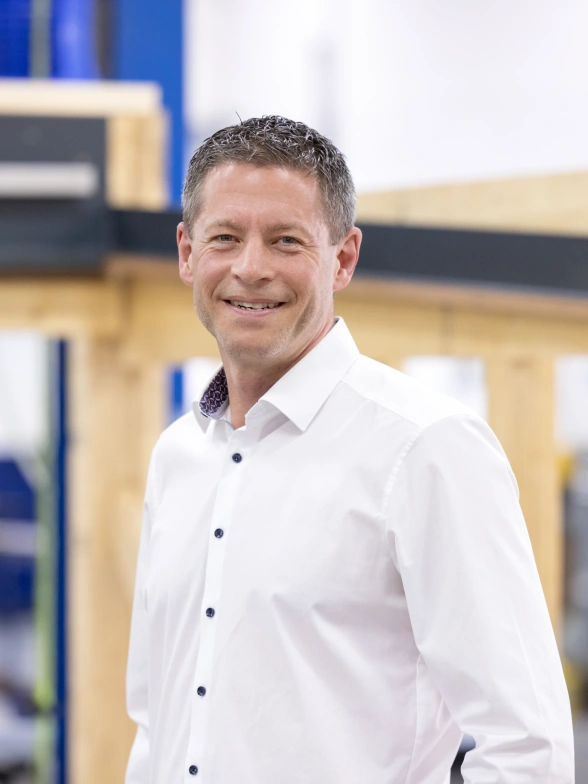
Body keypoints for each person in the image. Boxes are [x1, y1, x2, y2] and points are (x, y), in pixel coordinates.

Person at [125, 116, 574, 784]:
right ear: (188, 252)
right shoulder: (179, 455)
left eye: (286, 241)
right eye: (226, 237)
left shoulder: (425, 448)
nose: (251, 268)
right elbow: (157, 724)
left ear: (343, 256)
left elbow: (527, 748)